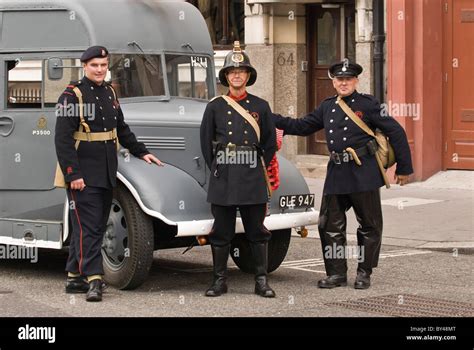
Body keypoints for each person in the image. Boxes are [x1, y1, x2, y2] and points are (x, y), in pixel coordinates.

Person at [273, 59, 413, 289]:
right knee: (329, 225)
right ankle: (336, 274)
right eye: (339, 79)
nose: (344, 83)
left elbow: (395, 131)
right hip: (337, 173)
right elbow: (302, 125)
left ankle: (364, 273)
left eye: (348, 79)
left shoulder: (368, 104)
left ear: (356, 81)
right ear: (333, 82)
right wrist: (270, 117)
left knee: (369, 225)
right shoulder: (327, 106)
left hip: (364, 171)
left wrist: (405, 168)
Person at [55, 46, 163, 302]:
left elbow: (121, 128)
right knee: (91, 228)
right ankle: (94, 280)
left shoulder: (110, 92)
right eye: (95, 65)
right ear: (84, 66)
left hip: (105, 172)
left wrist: (141, 152)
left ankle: (73, 277)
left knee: (89, 226)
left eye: (103, 65)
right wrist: (73, 174)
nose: (100, 70)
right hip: (82, 174)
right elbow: (62, 140)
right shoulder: (72, 96)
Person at [200, 42, 277, 297]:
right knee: (221, 232)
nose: (236, 75)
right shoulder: (215, 106)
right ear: (225, 76)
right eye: (232, 71)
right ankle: (219, 281)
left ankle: (261, 281)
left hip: (251, 176)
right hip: (224, 176)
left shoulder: (261, 106)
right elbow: (205, 144)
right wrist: (220, 168)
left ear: (248, 76)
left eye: (241, 71)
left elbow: (267, 143)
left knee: (257, 231)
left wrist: (254, 166)